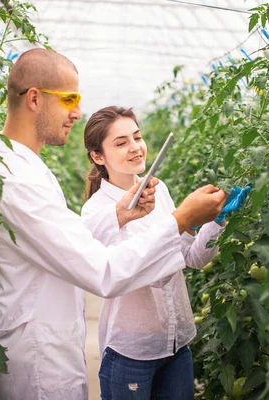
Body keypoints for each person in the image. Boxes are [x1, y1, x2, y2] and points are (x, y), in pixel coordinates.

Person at [0, 48, 228, 400]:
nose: (76, 112)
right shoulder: (16, 181)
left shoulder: (24, 169)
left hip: (51, 344)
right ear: (34, 98)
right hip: (40, 360)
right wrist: (181, 218)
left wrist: (121, 215)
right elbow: (103, 271)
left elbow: (62, 239)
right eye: (69, 99)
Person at [81, 106, 229, 399]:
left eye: (137, 137)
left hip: (177, 345)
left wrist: (216, 219)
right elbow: (144, 274)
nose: (135, 147)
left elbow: (192, 258)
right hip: (131, 353)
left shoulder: (159, 192)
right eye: (121, 143)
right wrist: (183, 219)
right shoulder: (97, 212)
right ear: (98, 156)